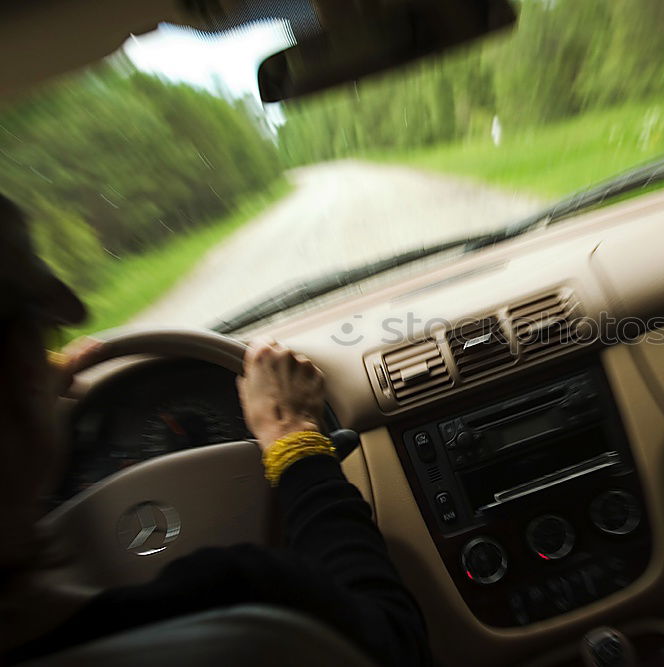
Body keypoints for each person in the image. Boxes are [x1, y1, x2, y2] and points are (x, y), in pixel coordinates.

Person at [0, 194, 431, 666]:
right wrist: (293, 438)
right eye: (41, 334)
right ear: (20, 373)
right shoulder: (237, 601)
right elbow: (394, 643)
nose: (53, 355)